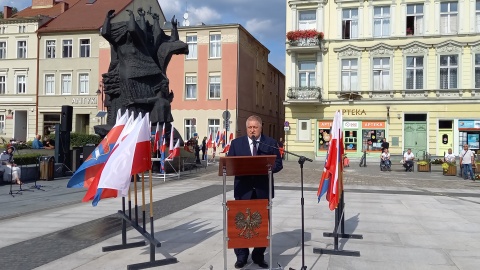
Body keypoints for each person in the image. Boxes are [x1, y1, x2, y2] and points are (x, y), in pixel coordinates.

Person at [227, 115, 283, 269]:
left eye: (255, 127)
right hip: (243, 190)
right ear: (246, 129)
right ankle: (242, 256)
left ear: (260, 127)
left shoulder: (270, 143)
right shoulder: (236, 144)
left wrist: (267, 168)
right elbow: (229, 163)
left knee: (261, 224)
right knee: (240, 223)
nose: (252, 130)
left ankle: (259, 255)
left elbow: (278, 163)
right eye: (250, 127)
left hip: (262, 189)